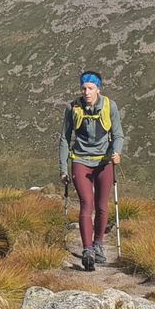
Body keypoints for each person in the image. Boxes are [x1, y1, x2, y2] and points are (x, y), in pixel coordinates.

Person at [59, 70, 123, 270]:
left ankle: (98, 245)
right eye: (83, 88)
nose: (86, 92)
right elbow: (64, 139)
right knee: (87, 203)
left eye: (90, 88)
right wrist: (63, 168)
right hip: (80, 160)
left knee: (102, 205)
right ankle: (87, 250)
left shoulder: (109, 106)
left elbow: (118, 134)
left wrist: (117, 152)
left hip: (104, 162)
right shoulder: (73, 108)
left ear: (98, 89)